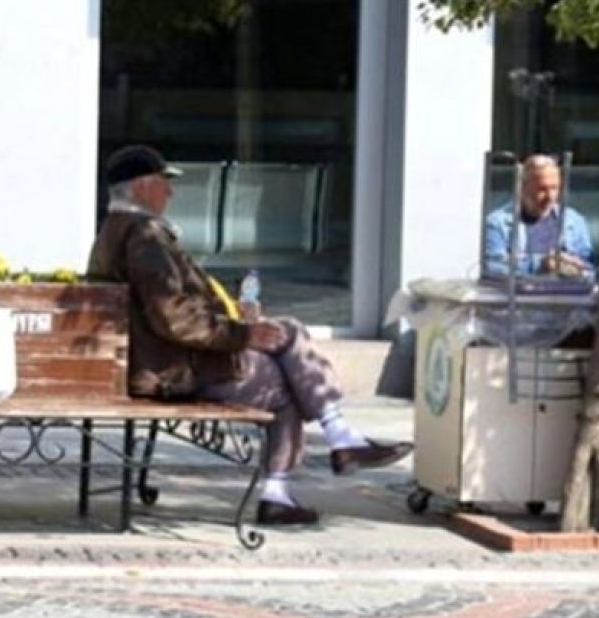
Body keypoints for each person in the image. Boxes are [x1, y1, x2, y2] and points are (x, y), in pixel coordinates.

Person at [88, 145, 413, 526]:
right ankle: (315, 458)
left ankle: (332, 444)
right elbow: (172, 317)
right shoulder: (144, 236)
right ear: (142, 186)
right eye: (164, 182)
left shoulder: (116, 232)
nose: (170, 192)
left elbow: (168, 311)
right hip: (172, 370)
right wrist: (241, 334)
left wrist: (238, 320)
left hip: (161, 361)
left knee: (287, 335)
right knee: (285, 376)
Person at [483, 155, 595, 278]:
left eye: (554, 188)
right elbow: (492, 267)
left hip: (565, 289)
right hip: (520, 289)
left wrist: (574, 269)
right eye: (542, 189)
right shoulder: (497, 223)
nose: (550, 197)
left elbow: (589, 269)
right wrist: (541, 264)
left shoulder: (573, 221)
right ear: (522, 188)